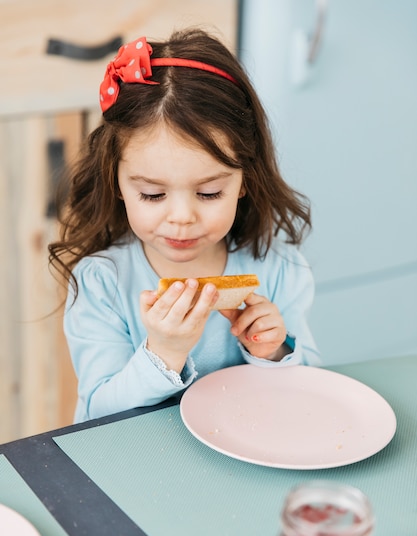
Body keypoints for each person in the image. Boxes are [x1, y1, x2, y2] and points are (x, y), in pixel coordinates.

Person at [48, 27, 320, 424]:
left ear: (244, 180)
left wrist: (275, 351)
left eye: (209, 193)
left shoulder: (278, 267)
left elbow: (311, 392)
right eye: (153, 195)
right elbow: (96, 417)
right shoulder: (101, 282)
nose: (182, 218)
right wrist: (162, 353)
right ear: (118, 183)